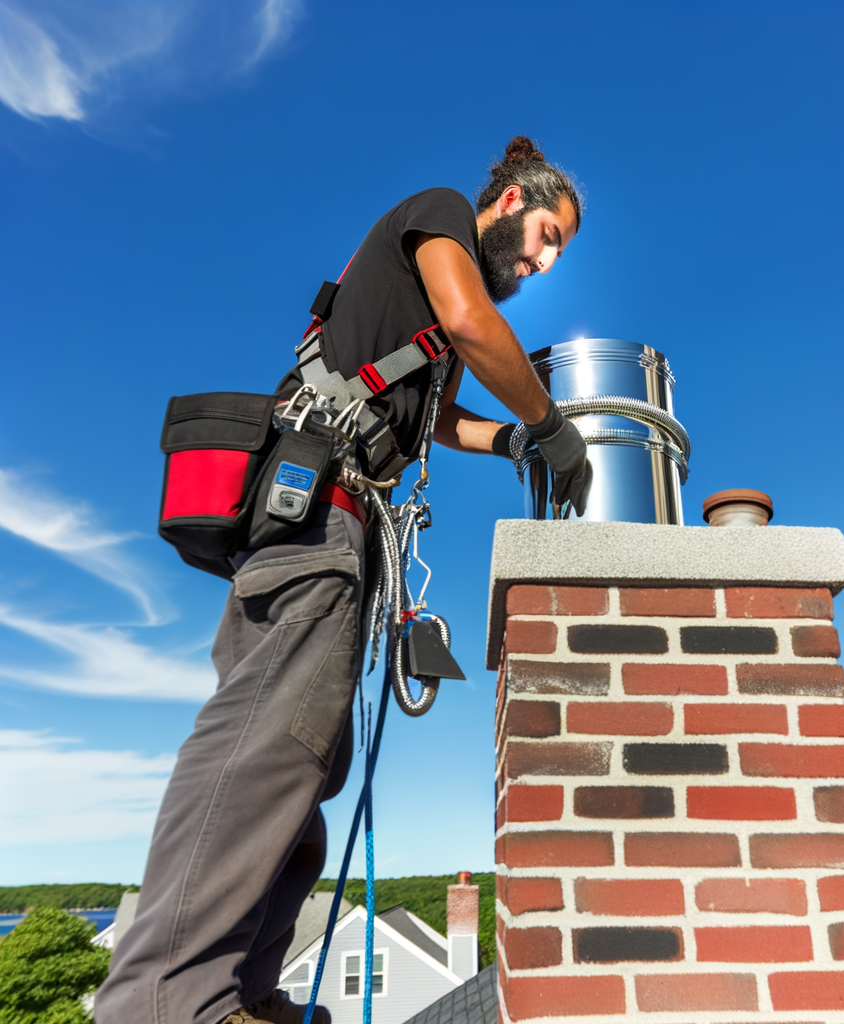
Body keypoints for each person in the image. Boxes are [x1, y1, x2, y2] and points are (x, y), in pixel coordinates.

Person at [95, 136, 589, 1024]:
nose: (546, 262)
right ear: (511, 201)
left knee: (305, 766)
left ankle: (241, 990)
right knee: (263, 752)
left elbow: (438, 420)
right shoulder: (440, 212)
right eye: (548, 234)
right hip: (318, 511)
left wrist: (513, 440)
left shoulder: (425, 330)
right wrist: (550, 421)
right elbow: (476, 324)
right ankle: (165, 1001)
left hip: (335, 524)